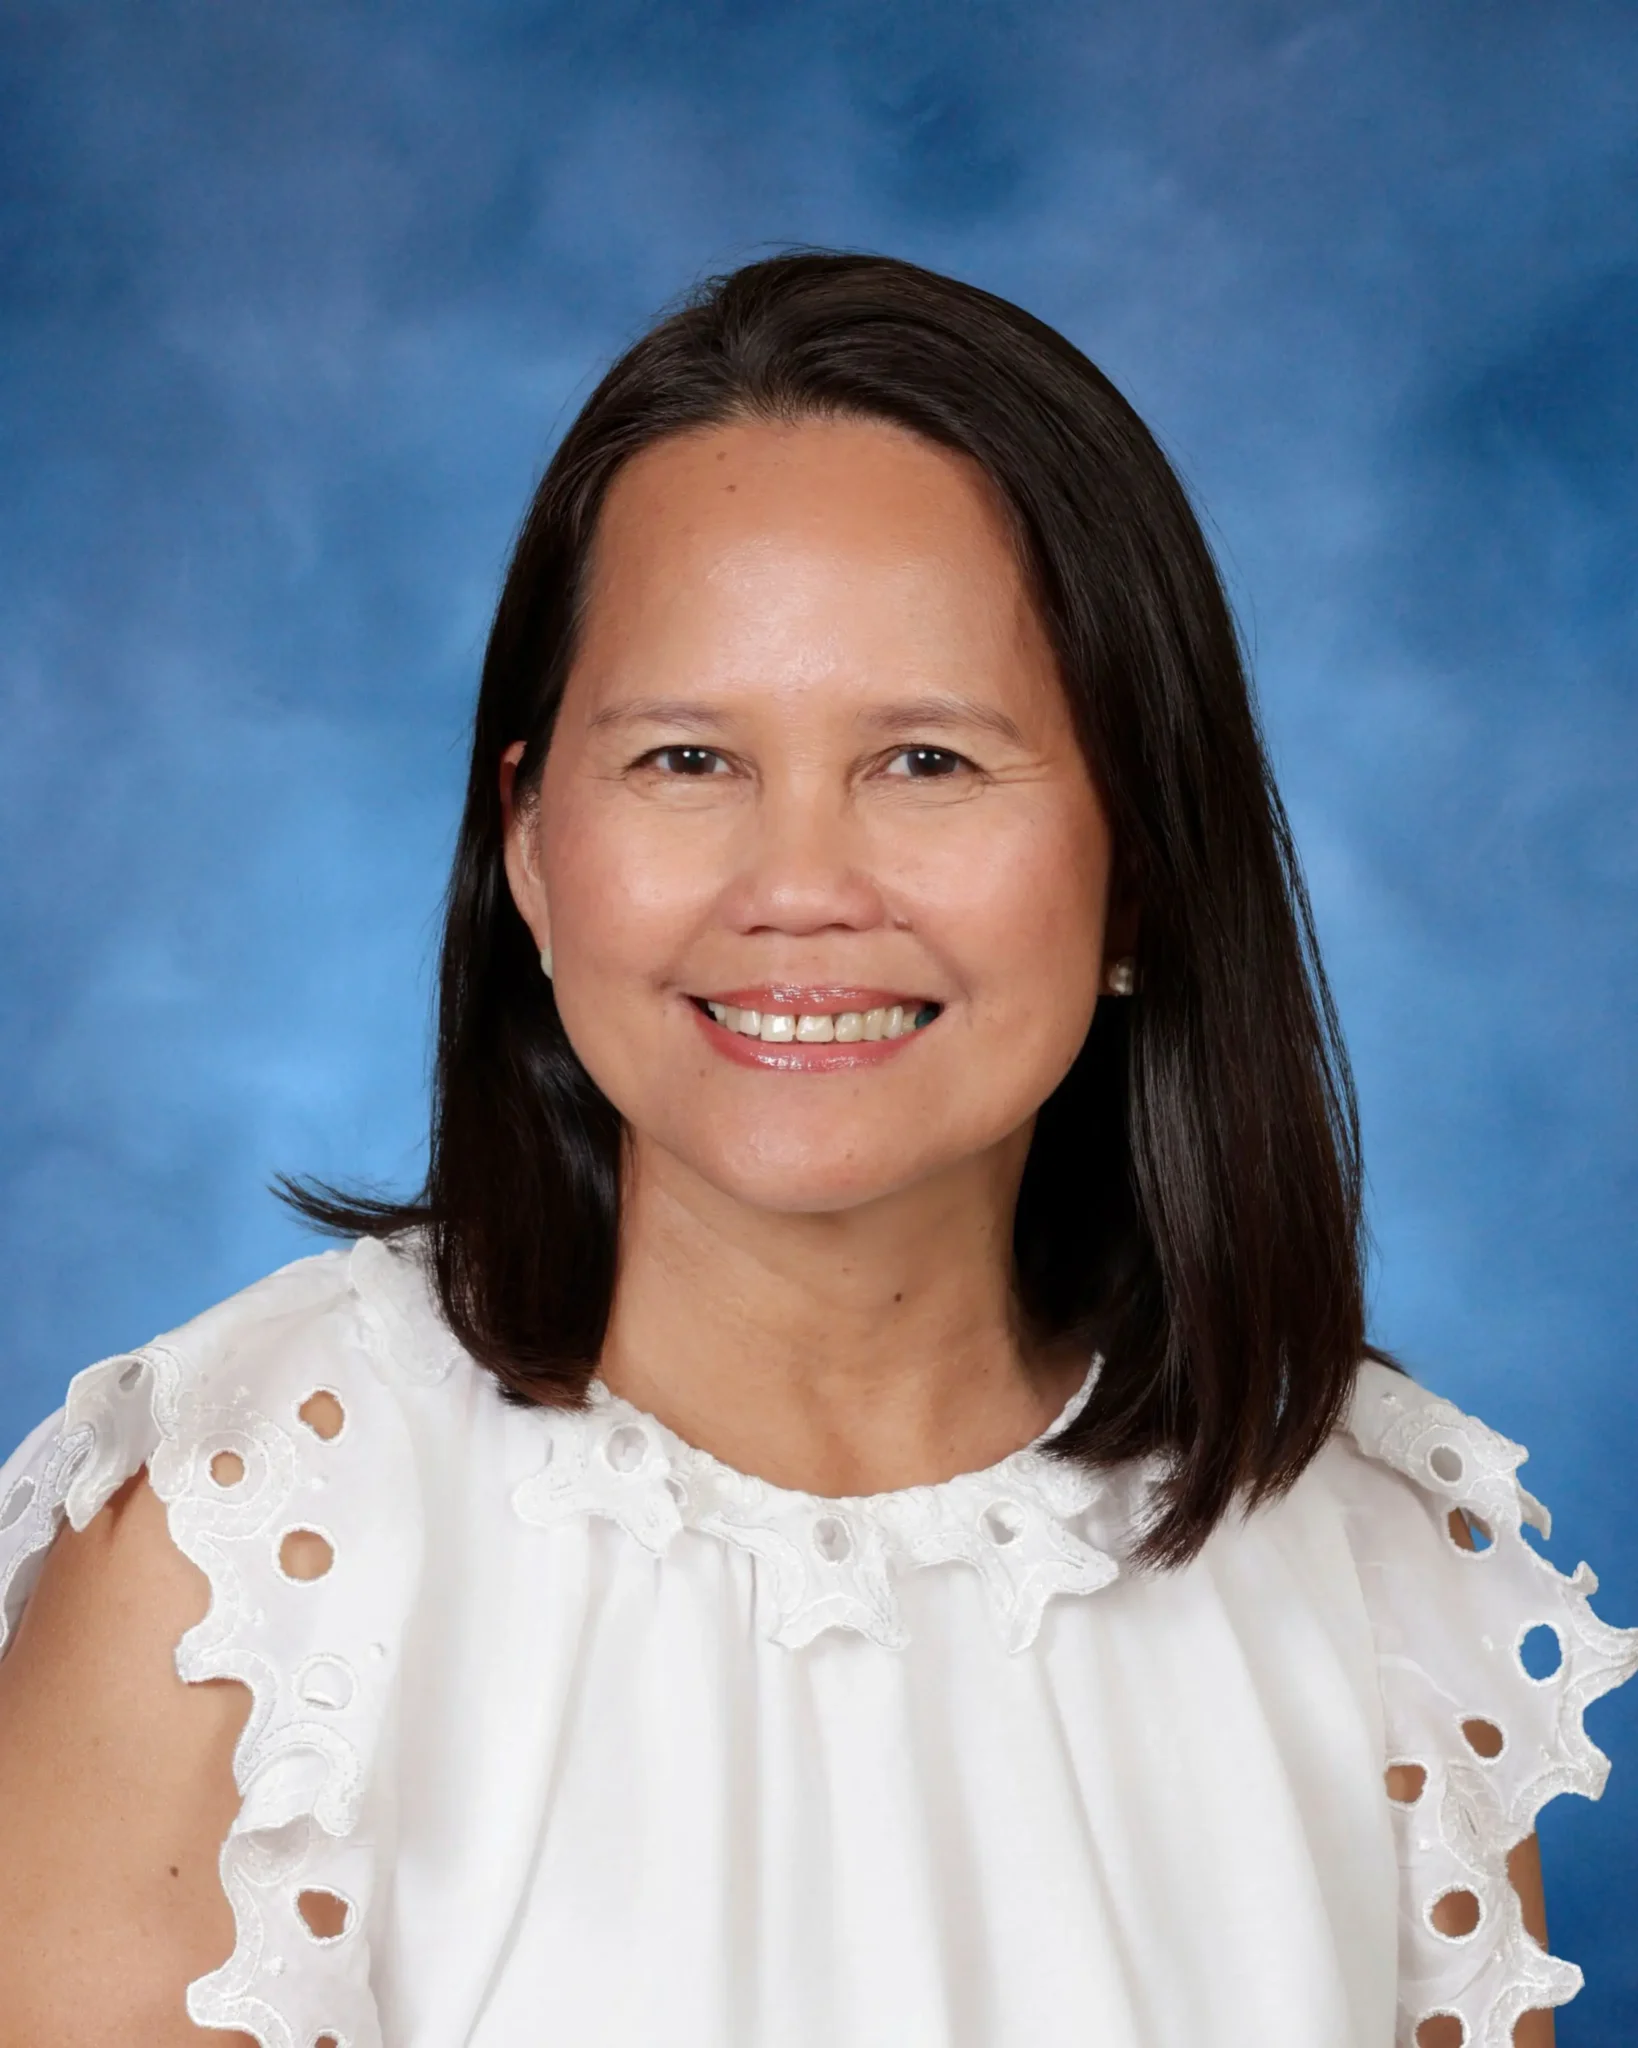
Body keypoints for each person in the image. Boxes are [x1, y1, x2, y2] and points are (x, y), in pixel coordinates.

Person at [0, 252, 1630, 2048]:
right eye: (686, 759)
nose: (797, 890)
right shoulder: (237, 1563)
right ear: (530, 845)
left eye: (925, 762)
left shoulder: (1373, 1571)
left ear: (1141, 869)